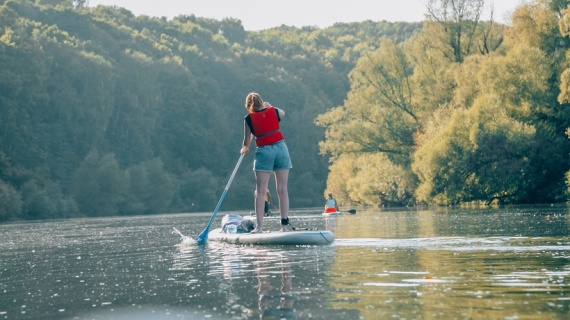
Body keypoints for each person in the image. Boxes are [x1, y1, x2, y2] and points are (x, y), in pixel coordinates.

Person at [240, 92, 292, 233]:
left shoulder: (248, 119)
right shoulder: (273, 111)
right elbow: (283, 113)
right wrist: (270, 106)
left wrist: (244, 148)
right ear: (261, 101)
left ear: (248, 106)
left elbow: (246, 142)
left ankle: (260, 227)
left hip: (264, 151)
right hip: (281, 149)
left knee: (261, 192)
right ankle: (284, 226)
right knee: (282, 190)